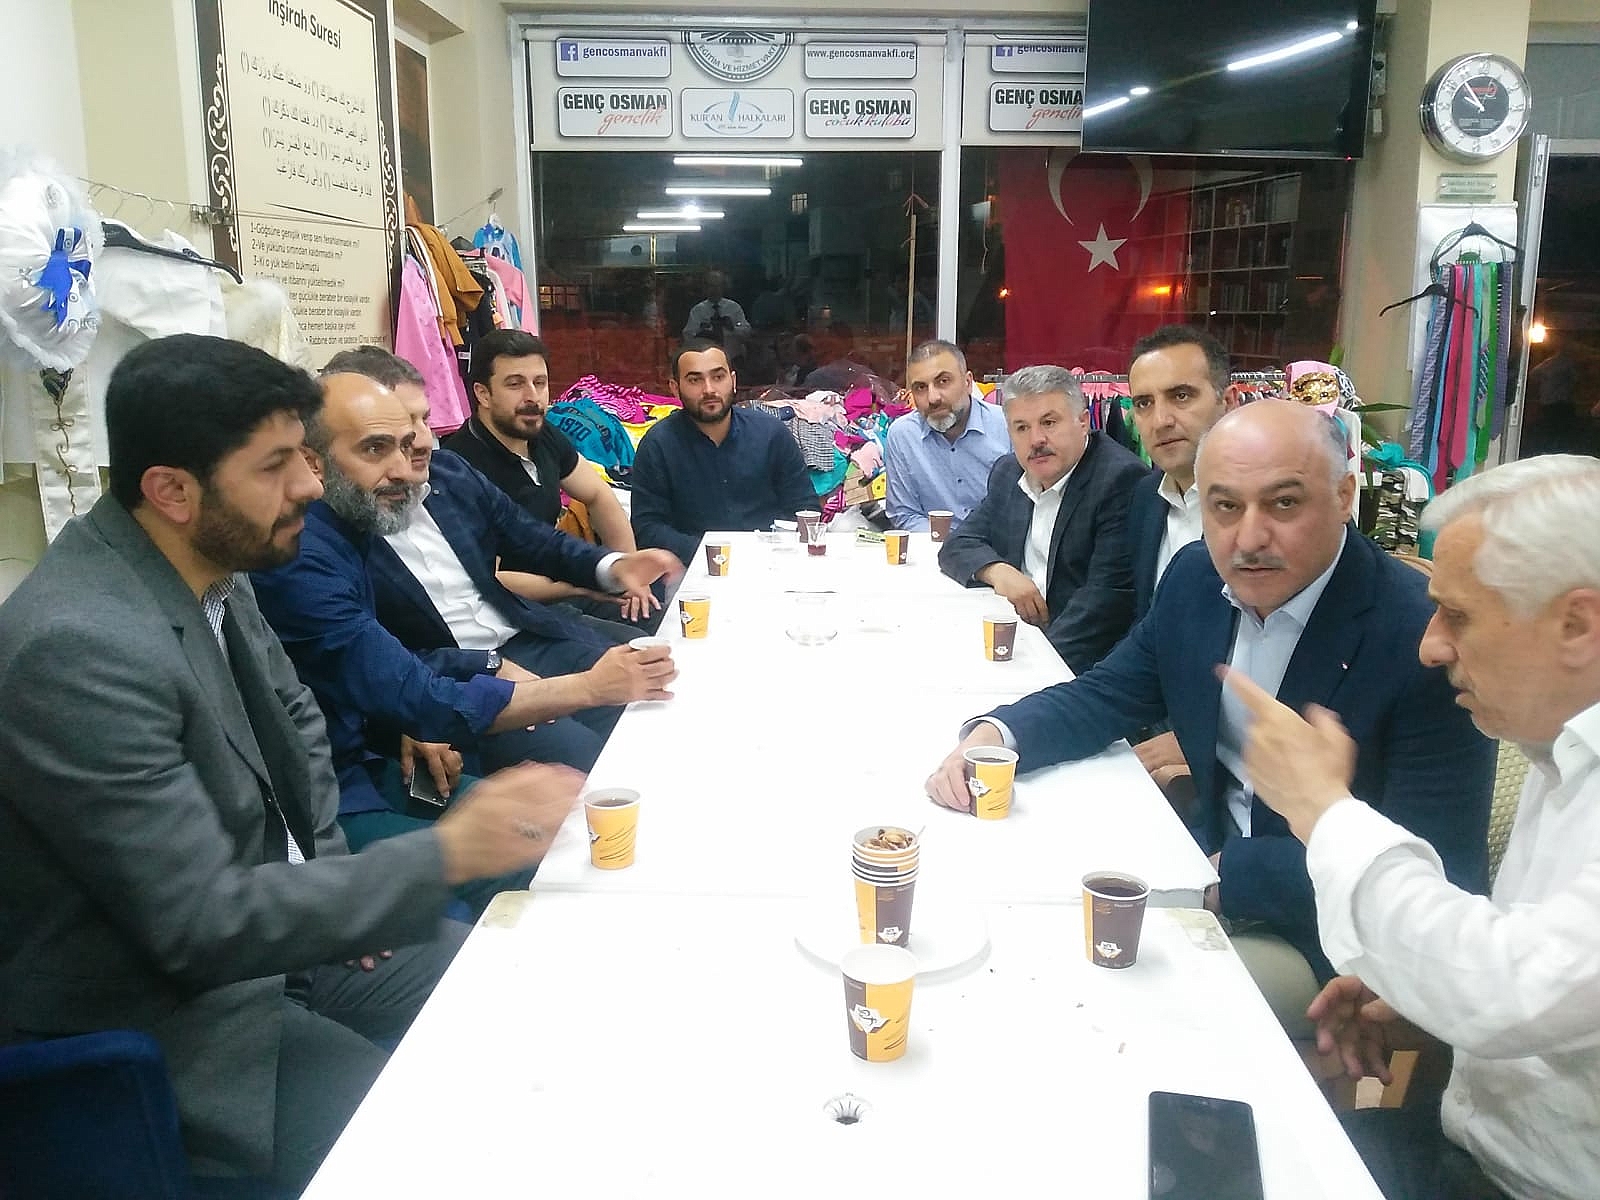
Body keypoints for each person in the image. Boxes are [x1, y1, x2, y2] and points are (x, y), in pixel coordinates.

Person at [0, 334, 578, 1190]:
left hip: (278, 950)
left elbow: (300, 736)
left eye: (305, 457)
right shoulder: (78, 648)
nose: (310, 485)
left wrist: (340, 899)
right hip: (181, 1017)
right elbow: (199, 924)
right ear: (172, 491)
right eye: (277, 466)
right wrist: (449, 853)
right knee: (435, 1140)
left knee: (530, 986)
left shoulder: (211, 565)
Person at [926, 400, 1495, 1029]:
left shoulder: (1421, 640)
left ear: (1344, 497)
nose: (1248, 539)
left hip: (1331, 949)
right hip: (1195, 865)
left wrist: (1231, 876)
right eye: (1225, 507)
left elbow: (1442, 877)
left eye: (1283, 504)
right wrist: (997, 734)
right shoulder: (1197, 577)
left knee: (1078, 988)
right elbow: (1108, 692)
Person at [1227, 454, 1600, 1200]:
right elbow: (1548, 976)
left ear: (1577, 625)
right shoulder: (1557, 743)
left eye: (1458, 615)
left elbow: (1509, 985)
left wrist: (1322, 808)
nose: (1431, 646)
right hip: (1462, 1144)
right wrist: (1423, 999)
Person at [250, 372, 678, 855]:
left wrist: (613, 569)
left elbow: (530, 540)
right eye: (376, 448)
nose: (409, 460)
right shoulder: (304, 551)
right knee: (567, 815)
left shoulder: (409, 492)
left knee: (652, 708)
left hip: (446, 691)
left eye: (417, 428)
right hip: (349, 777)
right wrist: (584, 687)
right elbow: (399, 682)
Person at [937, 364, 1147, 674]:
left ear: (1083, 422)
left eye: (1049, 422)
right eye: (1022, 428)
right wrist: (999, 572)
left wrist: (1026, 668)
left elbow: (1103, 607)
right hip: (1014, 638)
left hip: (1076, 664)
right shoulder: (1009, 472)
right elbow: (958, 544)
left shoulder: (1120, 480)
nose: (1036, 439)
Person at [440, 331, 648, 632]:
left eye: (540, 382)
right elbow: (490, 578)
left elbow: (598, 495)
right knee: (635, 643)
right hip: (509, 611)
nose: (532, 396)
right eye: (515, 384)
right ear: (483, 394)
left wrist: (628, 572)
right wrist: (582, 584)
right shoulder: (459, 466)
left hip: (561, 584)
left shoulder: (542, 434)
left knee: (663, 609)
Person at [631, 340, 818, 564]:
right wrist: (715, 553)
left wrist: (774, 550)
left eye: (718, 377)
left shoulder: (771, 434)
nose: (709, 389)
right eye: (695, 380)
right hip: (693, 567)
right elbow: (648, 529)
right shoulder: (658, 445)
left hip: (770, 563)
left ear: (733, 381)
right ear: (675, 388)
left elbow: (805, 509)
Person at [1125, 325, 1240, 620]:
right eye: (1144, 403)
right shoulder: (1144, 497)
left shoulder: (1271, 503)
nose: (1160, 421)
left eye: (1181, 396)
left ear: (1228, 403)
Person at [884, 339, 1012, 533]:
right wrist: (953, 545)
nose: (933, 398)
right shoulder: (903, 436)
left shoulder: (1008, 426)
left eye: (943, 381)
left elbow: (1025, 506)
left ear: (968, 383)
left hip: (999, 544)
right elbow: (904, 514)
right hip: (935, 545)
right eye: (920, 388)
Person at [681, 268, 751, 366]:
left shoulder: (733, 307)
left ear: (723, 287)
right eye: (711, 286)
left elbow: (747, 332)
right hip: (707, 361)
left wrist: (733, 328)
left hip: (734, 359)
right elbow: (687, 335)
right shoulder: (698, 311)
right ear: (705, 288)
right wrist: (700, 332)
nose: (714, 289)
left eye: (718, 286)